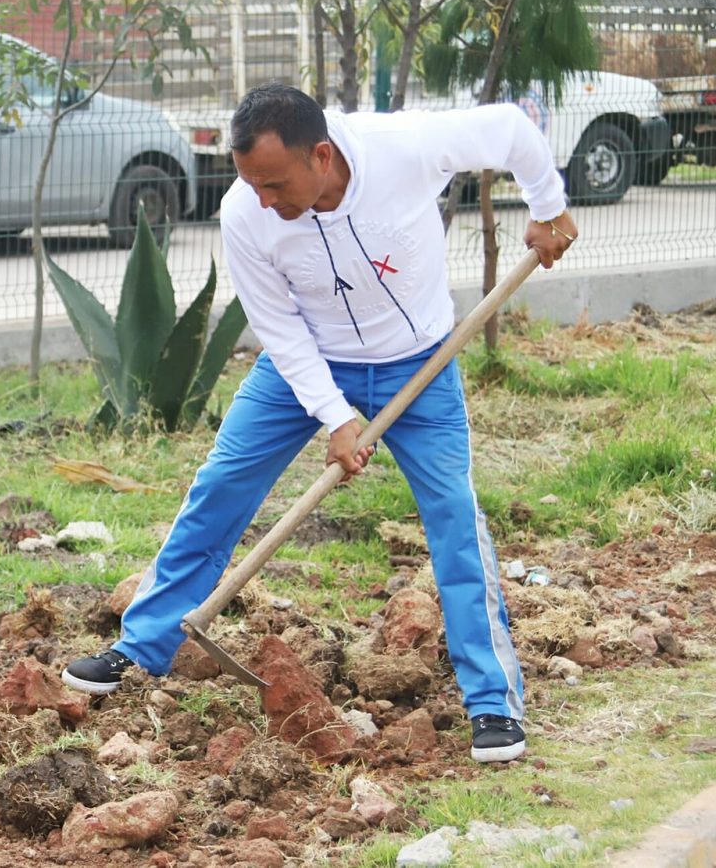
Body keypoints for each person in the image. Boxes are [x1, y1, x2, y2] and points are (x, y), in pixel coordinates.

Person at [62, 83, 579, 764]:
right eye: (253, 185)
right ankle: (142, 646)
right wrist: (333, 417)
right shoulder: (246, 212)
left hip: (417, 360)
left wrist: (549, 209)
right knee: (220, 487)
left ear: (324, 154)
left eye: (275, 183)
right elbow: (277, 327)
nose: (265, 201)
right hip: (307, 360)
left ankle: (491, 703)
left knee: (454, 514)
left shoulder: (404, 149)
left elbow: (513, 130)